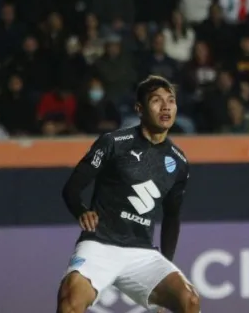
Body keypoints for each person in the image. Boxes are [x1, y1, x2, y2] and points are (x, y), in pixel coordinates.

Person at [56, 76, 199, 313]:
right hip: (99, 245)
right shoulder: (113, 143)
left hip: (141, 253)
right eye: (156, 100)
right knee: (70, 300)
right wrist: (81, 210)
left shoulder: (179, 161)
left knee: (189, 300)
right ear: (139, 109)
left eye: (171, 100)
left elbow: (172, 217)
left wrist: (165, 265)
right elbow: (71, 188)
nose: (165, 106)